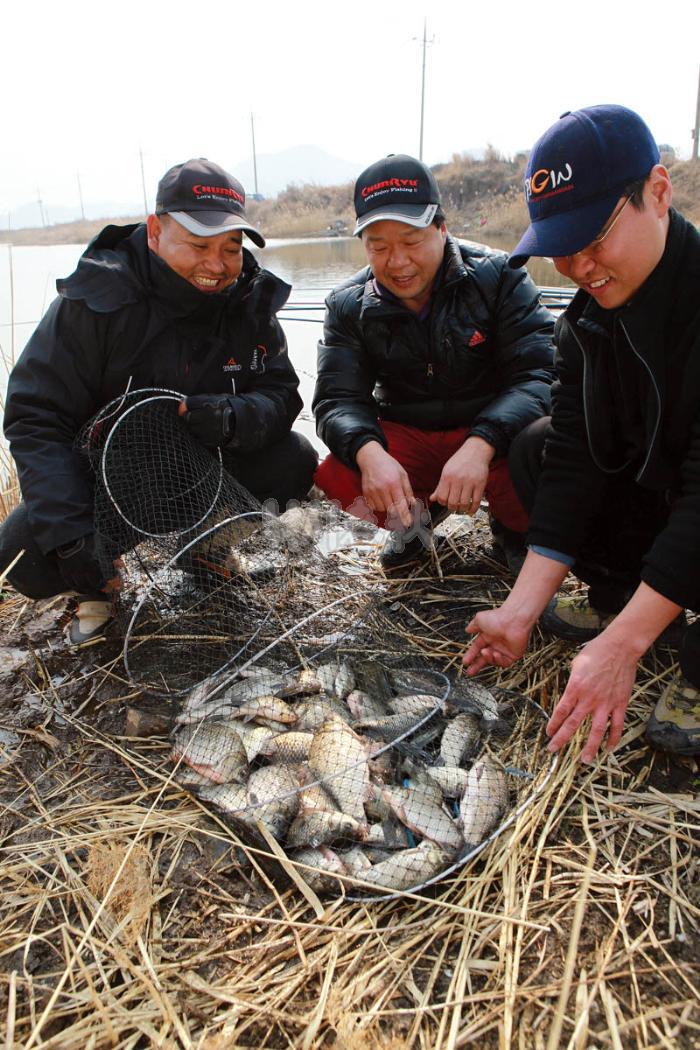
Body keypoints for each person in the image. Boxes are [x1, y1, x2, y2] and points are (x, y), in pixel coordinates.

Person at [464, 104, 700, 760]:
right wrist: (518, 611)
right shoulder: (585, 323)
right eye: (559, 247)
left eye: (593, 239)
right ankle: (631, 598)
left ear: (658, 192)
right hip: (661, 497)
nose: (577, 265)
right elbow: (572, 461)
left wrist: (623, 648)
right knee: (539, 445)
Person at [1, 158, 317, 643]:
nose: (216, 265)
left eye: (230, 248)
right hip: (109, 485)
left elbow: (281, 392)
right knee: (22, 556)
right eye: (197, 245)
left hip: (206, 474)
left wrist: (234, 417)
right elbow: (34, 416)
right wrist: (70, 538)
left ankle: (206, 546)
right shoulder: (96, 299)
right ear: (154, 232)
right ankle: (99, 580)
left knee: (294, 458)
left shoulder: (249, 299)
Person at [312, 154, 555, 570]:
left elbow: (540, 374)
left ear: (442, 229)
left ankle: (514, 529)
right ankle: (416, 522)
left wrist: (481, 445)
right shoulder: (347, 304)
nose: (398, 261)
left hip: (494, 436)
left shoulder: (501, 276)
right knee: (339, 471)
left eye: (411, 241)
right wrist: (371, 455)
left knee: (544, 443)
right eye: (379, 246)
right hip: (413, 434)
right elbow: (337, 400)